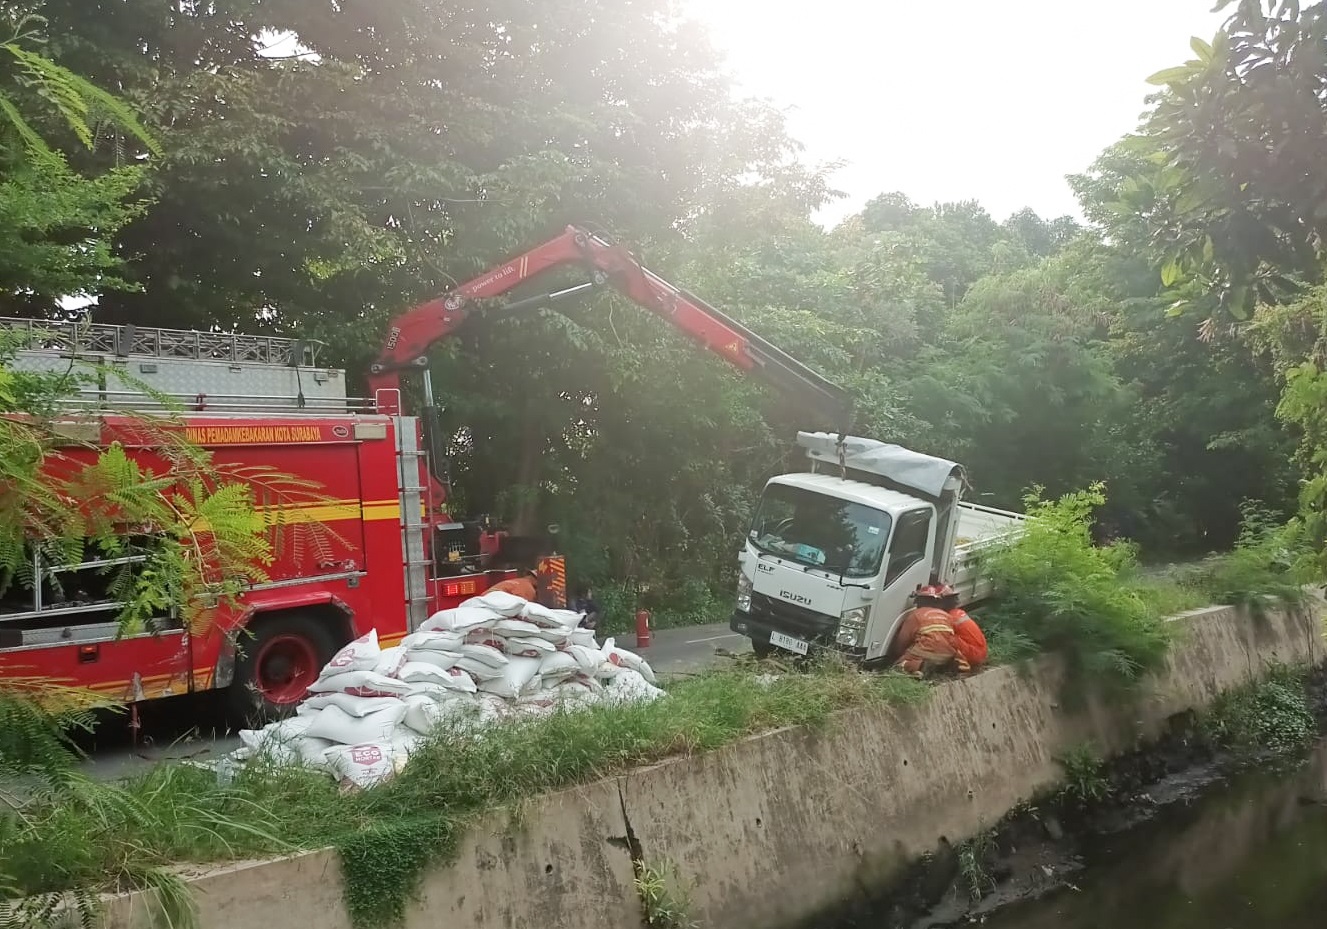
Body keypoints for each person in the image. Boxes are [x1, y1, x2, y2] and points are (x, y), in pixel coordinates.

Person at [891, 583, 971, 677]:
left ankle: (920, 666)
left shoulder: (915, 615)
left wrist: (899, 655)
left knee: (899, 665)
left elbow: (902, 642)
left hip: (927, 651)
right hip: (947, 653)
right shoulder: (946, 615)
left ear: (918, 601)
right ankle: (946, 667)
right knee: (942, 658)